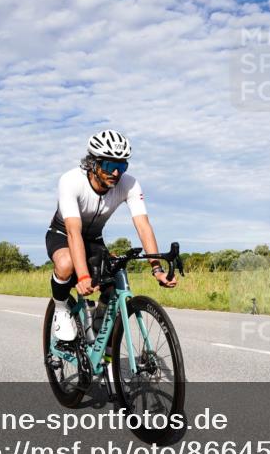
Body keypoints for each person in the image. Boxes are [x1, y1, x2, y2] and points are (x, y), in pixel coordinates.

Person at [46, 130, 176, 342]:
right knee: (66, 264)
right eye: (109, 165)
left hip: (94, 239)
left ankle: (100, 331)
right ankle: (61, 309)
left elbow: (143, 225)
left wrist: (157, 268)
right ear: (93, 163)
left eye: (122, 166)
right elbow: (73, 231)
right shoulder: (71, 180)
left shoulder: (129, 184)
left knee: (114, 277)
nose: (116, 173)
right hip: (62, 233)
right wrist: (84, 276)